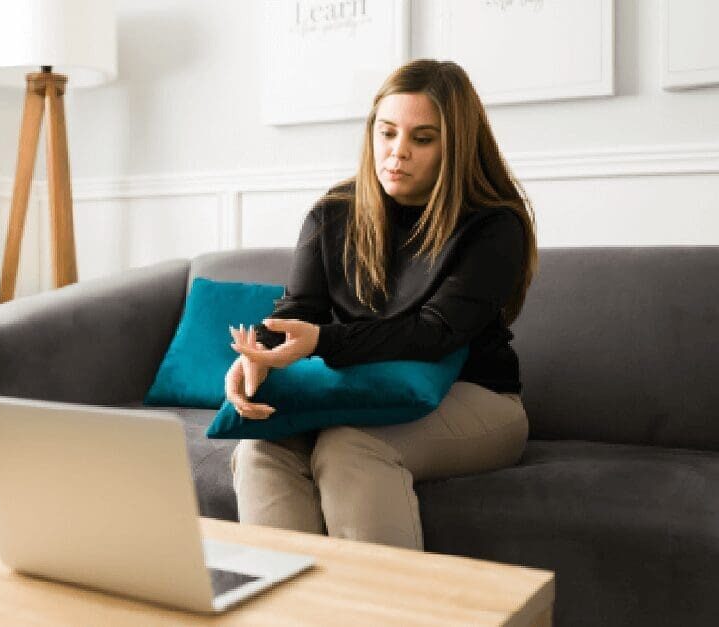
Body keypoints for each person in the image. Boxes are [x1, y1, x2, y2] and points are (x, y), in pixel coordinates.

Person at [223, 59, 538, 551]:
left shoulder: (493, 226)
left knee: (350, 446)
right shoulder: (332, 214)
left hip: (478, 397)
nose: (397, 153)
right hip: (363, 390)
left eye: (423, 138)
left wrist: (324, 341)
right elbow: (297, 309)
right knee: (262, 444)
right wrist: (255, 359)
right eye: (387, 132)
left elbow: (433, 332)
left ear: (455, 148)